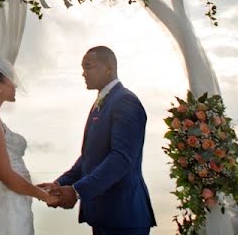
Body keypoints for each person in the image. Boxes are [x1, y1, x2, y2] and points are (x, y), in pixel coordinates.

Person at [38, 46, 156, 235]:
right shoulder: (101, 102)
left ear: (108, 68)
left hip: (124, 217)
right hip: (101, 215)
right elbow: (89, 157)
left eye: (88, 67)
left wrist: (77, 191)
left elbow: (121, 158)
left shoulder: (125, 101)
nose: (83, 73)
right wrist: (60, 184)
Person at [0, 57, 60, 234]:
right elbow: (5, 175)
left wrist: (31, 188)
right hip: (8, 202)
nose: (15, 86)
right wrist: (45, 196)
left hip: (12, 196)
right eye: (11, 80)